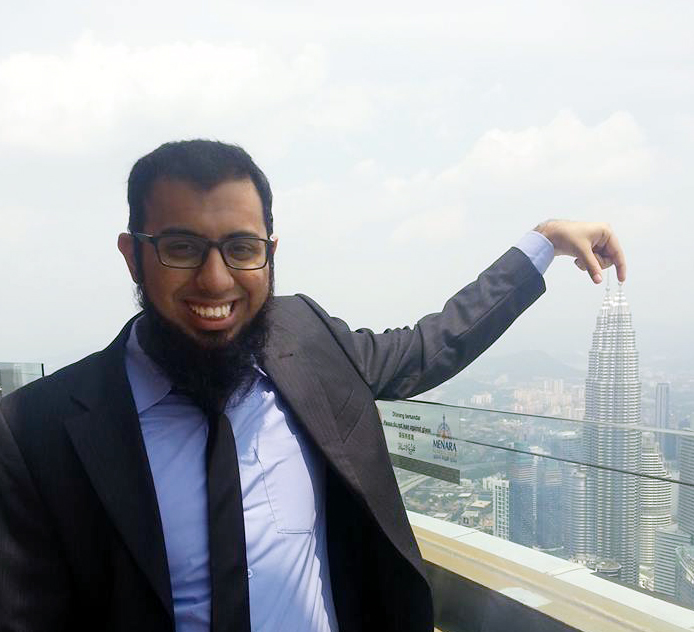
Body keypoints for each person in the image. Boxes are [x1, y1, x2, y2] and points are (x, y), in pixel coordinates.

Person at [0, 140, 626, 632]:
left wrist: (542, 244)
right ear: (132, 254)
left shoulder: (305, 338)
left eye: (241, 248)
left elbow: (425, 348)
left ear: (270, 252)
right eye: (182, 248)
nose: (215, 280)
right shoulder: (37, 433)